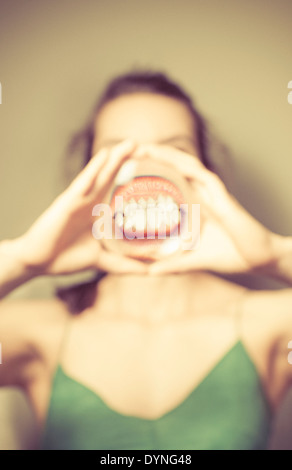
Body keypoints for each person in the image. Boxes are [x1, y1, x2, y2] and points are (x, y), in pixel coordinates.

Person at [0, 70, 291, 450]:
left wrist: (274, 254)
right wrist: (23, 259)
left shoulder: (267, 324)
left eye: (175, 151)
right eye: (117, 153)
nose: (145, 169)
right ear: (86, 179)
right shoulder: (39, 332)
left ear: (206, 174)